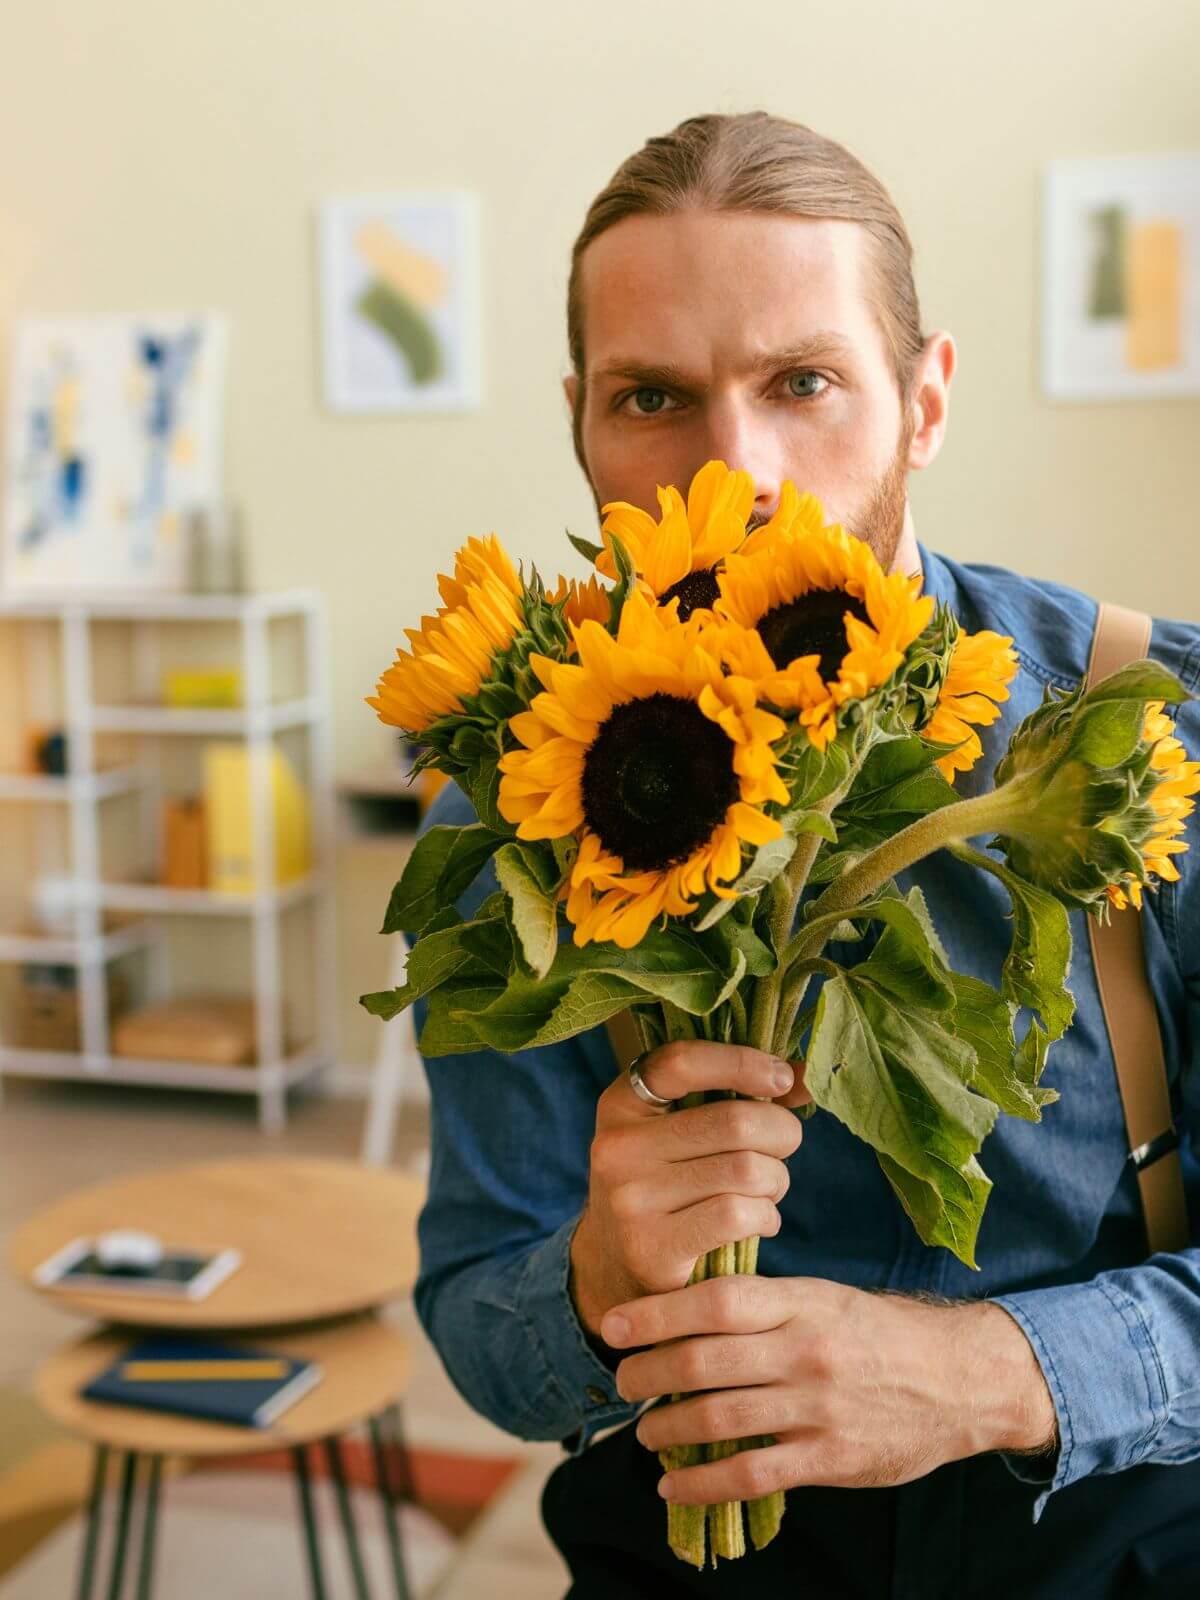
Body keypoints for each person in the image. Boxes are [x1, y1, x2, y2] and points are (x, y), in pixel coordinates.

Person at [409, 112, 1200, 1597]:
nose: (739, 469)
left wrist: (984, 1372)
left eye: (804, 383)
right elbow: (477, 1328)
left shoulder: (1146, 734)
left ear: (925, 400)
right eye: (653, 397)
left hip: (1106, 1542)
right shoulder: (503, 817)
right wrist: (591, 1281)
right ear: (580, 422)